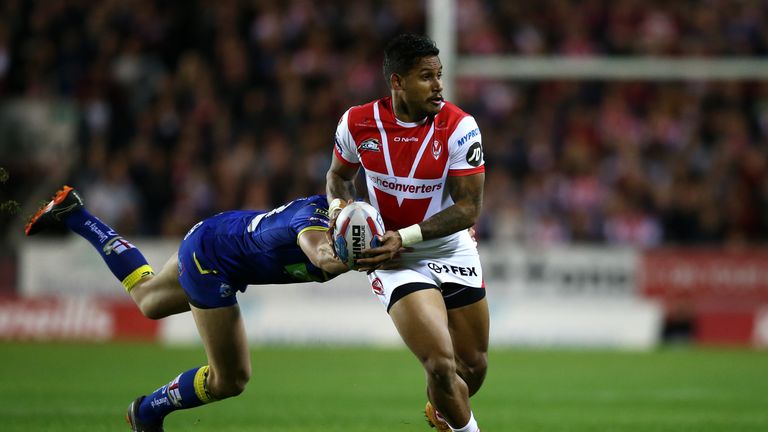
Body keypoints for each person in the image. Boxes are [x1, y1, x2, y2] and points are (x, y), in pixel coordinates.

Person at [25, 185, 347, 431]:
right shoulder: (313, 220)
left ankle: (75, 214)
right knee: (231, 379)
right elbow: (319, 254)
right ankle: (148, 411)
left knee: (148, 300)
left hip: (216, 236)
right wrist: (355, 256)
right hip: (212, 260)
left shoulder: (347, 233)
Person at [326, 34, 488, 432]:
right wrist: (338, 211)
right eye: (426, 77)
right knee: (439, 361)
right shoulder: (357, 122)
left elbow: (469, 208)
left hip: (450, 249)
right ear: (397, 81)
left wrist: (408, 234)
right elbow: (337, 177)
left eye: (440, 76)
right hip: (392, 258)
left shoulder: (460, 127)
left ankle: (441, 408)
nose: (438, 86)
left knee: (472, 366)